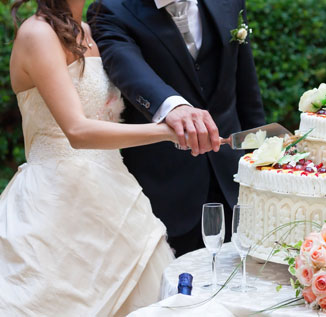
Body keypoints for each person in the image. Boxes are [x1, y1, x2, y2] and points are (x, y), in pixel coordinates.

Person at [1, 0, 177, 315]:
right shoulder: (37, 33)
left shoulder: (90, 31)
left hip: (115, 197)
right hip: (54, 209)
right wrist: (167, 131)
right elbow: (77, 131)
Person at [88, 0, 266, 257]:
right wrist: (172, 108)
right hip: (166, 192)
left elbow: (245, 88)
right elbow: (128, 68)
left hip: (235, 182)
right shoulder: (112, 10)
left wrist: (260, 157)